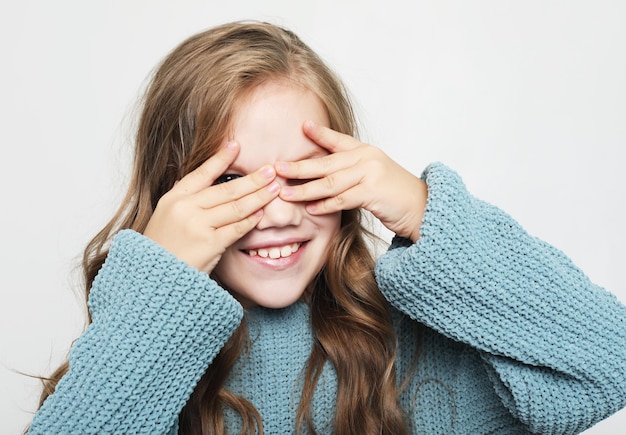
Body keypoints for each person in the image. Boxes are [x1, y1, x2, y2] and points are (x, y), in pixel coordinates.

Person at [27, 20, 626, 435]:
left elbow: (609, 358)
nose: (280, 211)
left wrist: (426, 210)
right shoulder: (139, 358)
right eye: (234, 183)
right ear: (169, 199)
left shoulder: (416, 354)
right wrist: (158, 288)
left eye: (307, 176)